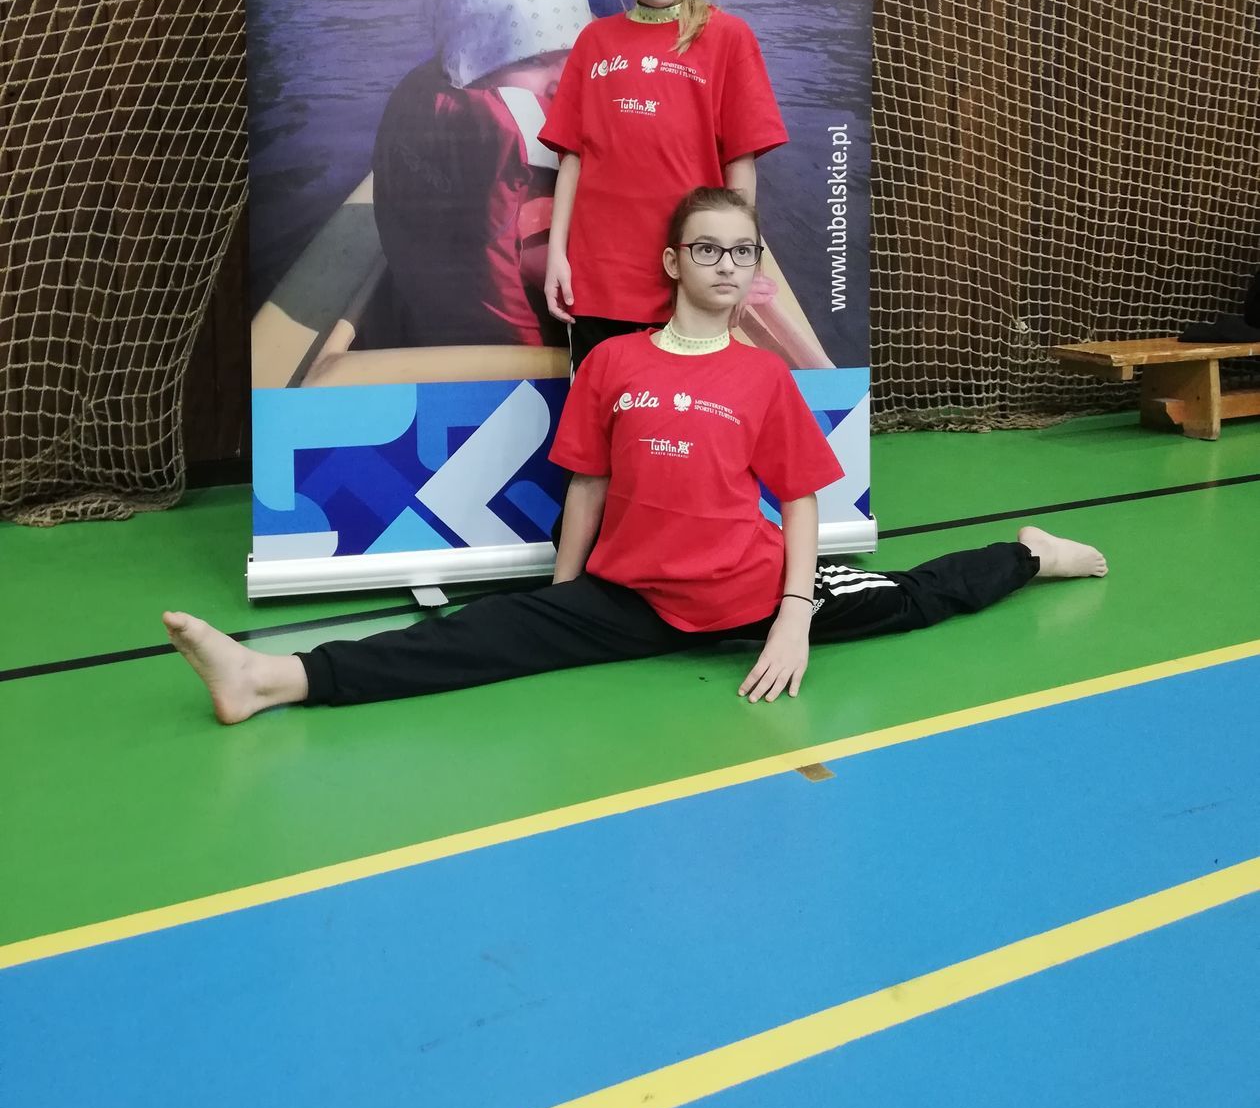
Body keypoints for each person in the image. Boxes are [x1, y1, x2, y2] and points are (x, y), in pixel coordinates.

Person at [163, 188, 1108, 723]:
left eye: (743, 252)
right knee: (467, 640)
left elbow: (801, 503)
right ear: (673, 263)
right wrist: (558, 597)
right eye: (709, 250)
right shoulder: (615, 363)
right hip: (629, 597)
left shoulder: (762, 376)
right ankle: (270, 678)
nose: (728, 265)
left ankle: (1030, 554)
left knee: (918, 597)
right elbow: (587, 482)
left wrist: (791, 619)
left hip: (748, 597)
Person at [539, 0, 789, 375]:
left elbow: (740, 169)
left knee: (681, 416)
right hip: (599, 281)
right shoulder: (594, 42)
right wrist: (557, 257)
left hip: (690, 283)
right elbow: (572, 160)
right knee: (605, 412)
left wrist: (738, 262)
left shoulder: (730, 38)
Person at [371, 0, 594, 349]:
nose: (560, 81)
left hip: (437, 327)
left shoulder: (445, 109)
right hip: (520, 368)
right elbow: (582, 284)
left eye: (572, 56)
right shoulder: (520, 152)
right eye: (531, 60)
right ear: (474, 63)